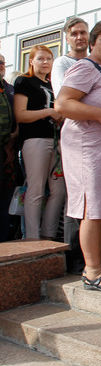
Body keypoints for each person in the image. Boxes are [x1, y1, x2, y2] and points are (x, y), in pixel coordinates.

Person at [55, 21, 101, 292]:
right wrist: (100, 114)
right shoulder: (85, 67)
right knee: (92, 208)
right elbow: (63, 104)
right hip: (88, 150)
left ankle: (97, 264)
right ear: (92, 43)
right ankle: (92, 271)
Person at [13, 46, 66, 240]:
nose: (45, 62)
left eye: (49, 59)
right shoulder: (24, 81)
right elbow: (21, 114)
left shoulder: (53, 84)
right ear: (31, 61)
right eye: (41, 59)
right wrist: (49, 112)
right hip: (34, 140)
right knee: (36, 190)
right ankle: (32, 239)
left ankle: (49, 236)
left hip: (55, 141)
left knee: (59, 191)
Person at [51, 17, 89, 273]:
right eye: (75, 33)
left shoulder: (92, 62)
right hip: (75, 134)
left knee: (91, 197)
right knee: (75, 195)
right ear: (67, 37)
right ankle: (72, 253)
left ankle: (91, 251)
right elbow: (64, 99)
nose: (80, 37)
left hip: (94, 136)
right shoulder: (62, 63)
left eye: (84, 33)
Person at [0, 53, 17, 242]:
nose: (0, 66)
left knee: (6, 199)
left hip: (9, 152)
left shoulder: (9, 89)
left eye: (2, 63)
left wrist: (11, 145)